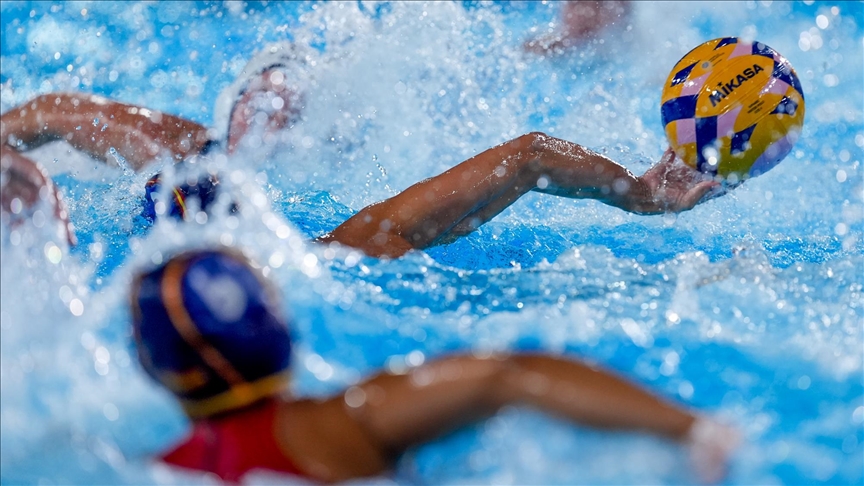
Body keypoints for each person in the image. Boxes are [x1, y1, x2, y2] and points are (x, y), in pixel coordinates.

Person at [1, 42, 718, 257]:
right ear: (229, 110)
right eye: (264, 93)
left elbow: (529, 154)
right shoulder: (179, 151)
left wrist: (640, 193)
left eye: (290, 108)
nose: (272, 109)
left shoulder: (311, 252)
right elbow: (51, 111)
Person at [131, 248, 739, 483]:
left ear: (156, 368)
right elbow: (507, 376)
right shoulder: (339, 426)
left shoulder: (157, 469)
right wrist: (693, 429)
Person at [524, 1, 633, 55]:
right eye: (575, 4)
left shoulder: (630, 46)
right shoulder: (547, 47)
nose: (584, 13)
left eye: (595, 6)